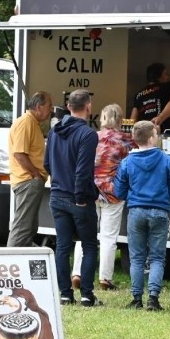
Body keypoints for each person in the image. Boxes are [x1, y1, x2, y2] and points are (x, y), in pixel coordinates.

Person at [113, 121, 170, 311]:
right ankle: (153, 299)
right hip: (159, 212)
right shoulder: (166, 159)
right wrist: (163, 199)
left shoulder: (127, 162)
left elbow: (118, 191)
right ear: (152, 138)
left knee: (136, 258)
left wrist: (134, 197)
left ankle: (136, 299)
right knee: (157, 258)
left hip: (136, 211)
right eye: (156, 134)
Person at [43, 89, 101, 307]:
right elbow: (83, 170)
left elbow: (47, 164)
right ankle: (87, 294)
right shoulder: (88, 134)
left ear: (68, 107)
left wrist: (57, 181)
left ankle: (65, 294)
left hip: (56, 195)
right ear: (88, 106)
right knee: (89, 245)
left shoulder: (54, 131)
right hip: (78, 198)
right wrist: (79, 196)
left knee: (63, 247)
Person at [71, 103, 129, 291]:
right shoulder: (126, 141)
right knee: (108, 237)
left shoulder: (92, 137)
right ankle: (105, 278)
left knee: (84, 234)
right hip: (113, 193)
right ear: (120, 120)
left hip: (89, 191)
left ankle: (77, 273)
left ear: (102, 119)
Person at [7, 91, 53, 247]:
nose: (51, 110)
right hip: (27, 181)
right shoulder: (25, 122)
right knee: (22, 229)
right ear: (39, 107)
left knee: (29, 229)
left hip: (30, 181)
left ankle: (25, 263)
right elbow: (19, 153)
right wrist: (35, 175)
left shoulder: (33, 123)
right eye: (49, 106)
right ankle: (9, 264)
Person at [131, 63, 170, 132]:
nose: (167, 77)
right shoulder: (165, 87)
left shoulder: (138, 95)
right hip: (163, 133)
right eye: (165, 74)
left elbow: (132, 120)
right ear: (158, 76)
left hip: (145, 134)